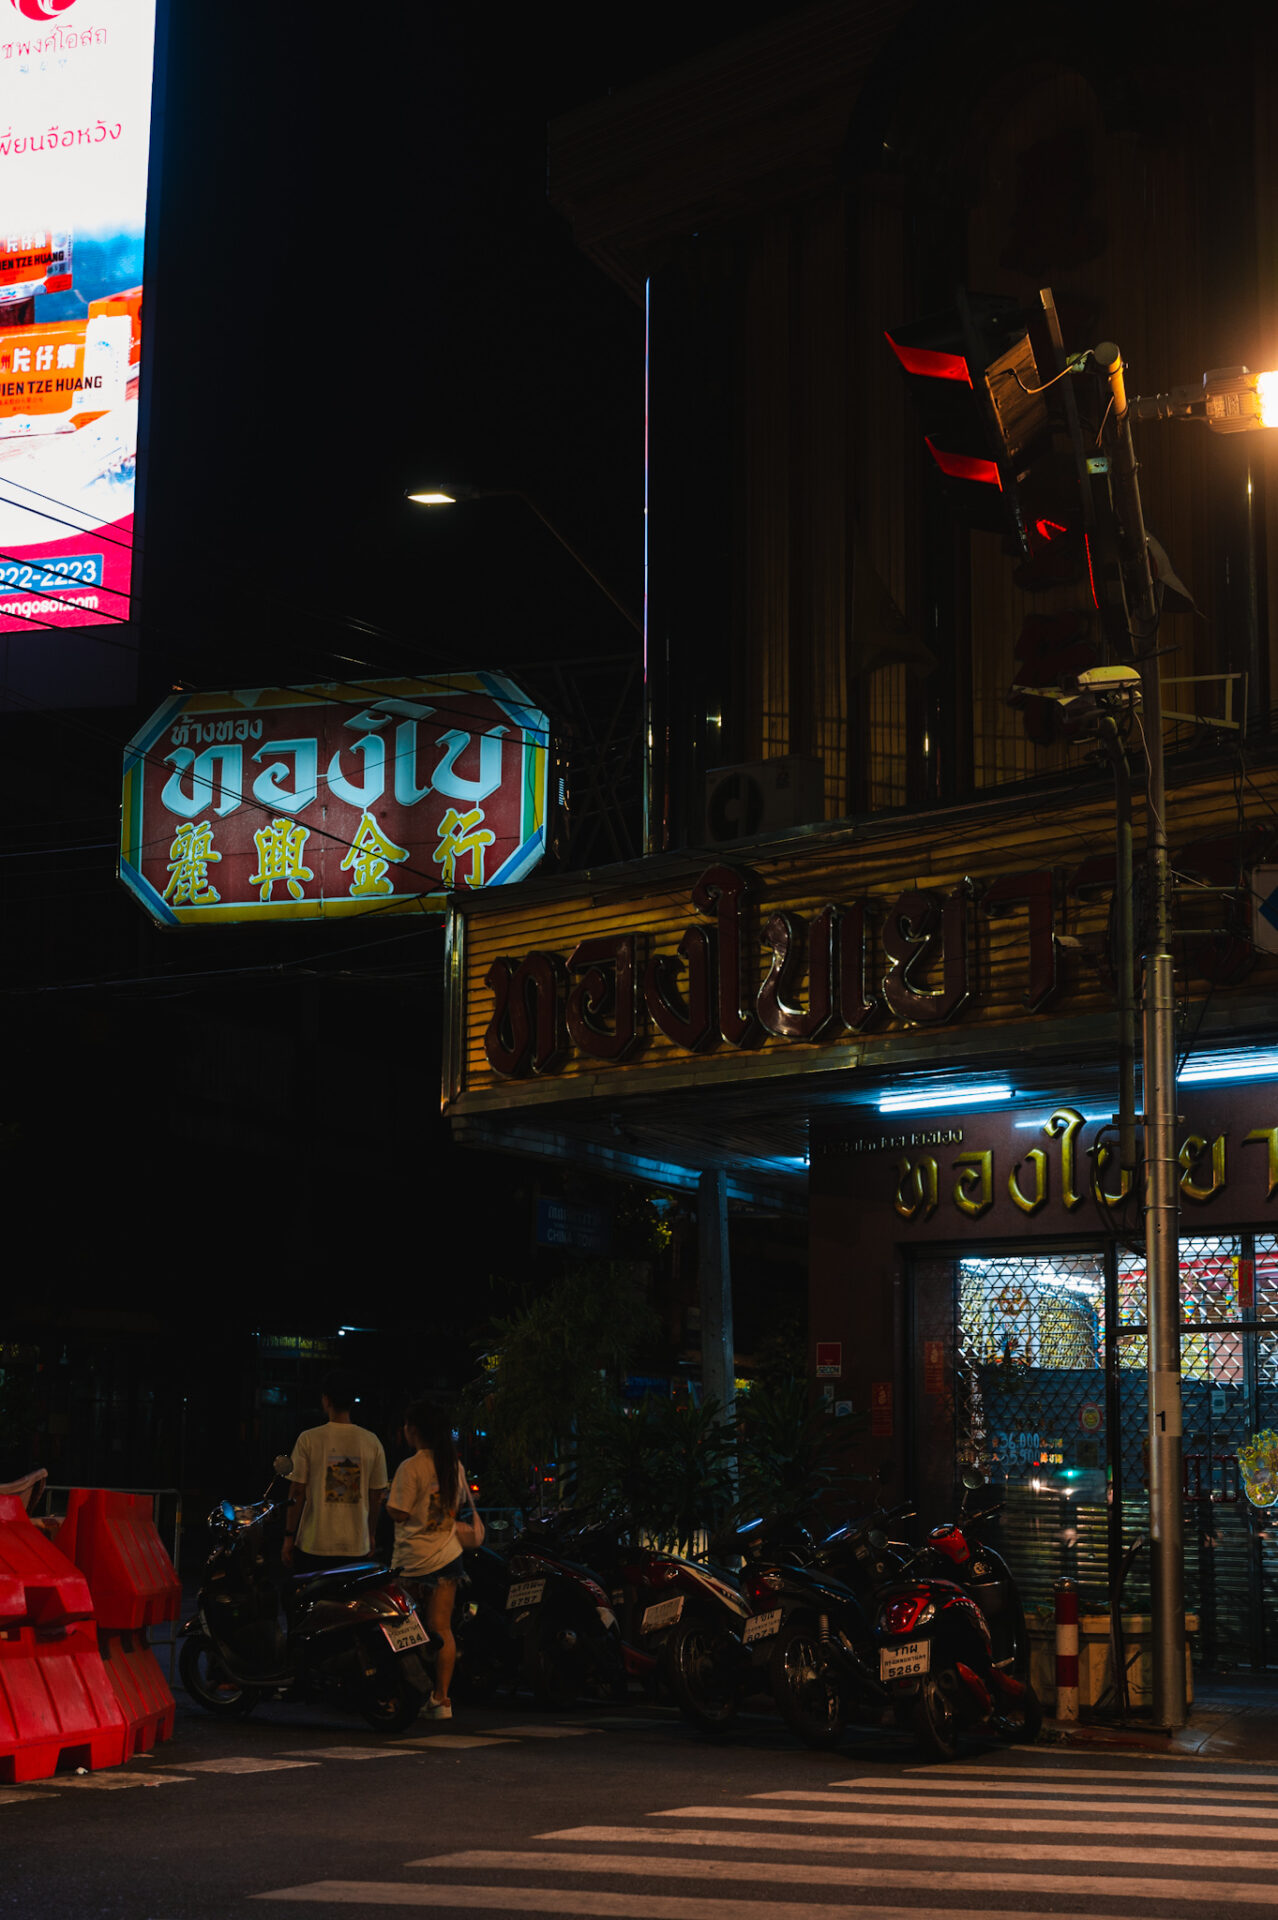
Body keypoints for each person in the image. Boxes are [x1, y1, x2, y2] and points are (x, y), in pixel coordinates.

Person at [385, 1400, 467, 1720]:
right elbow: (454, 1509)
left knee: (401, 1630)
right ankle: (441, 1699)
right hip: (448, 1557)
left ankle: (410, 1691)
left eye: (406, 1426)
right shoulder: (453, 1465)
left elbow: (400, 1511)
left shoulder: (411, 1467)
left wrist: (386, 1505)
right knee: (441, 1629)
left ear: (413, 1430)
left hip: (414, 1561)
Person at [282, 1370, 388, 1575]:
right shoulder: (372, 1442)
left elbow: (297, 1491)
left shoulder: (309, 1439)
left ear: (326, 1400)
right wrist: (371, 1534)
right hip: (357, 1545)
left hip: (314, 1543)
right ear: (352, 1402)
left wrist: (289, 1536)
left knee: (313, 1605)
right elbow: (377, 1496)